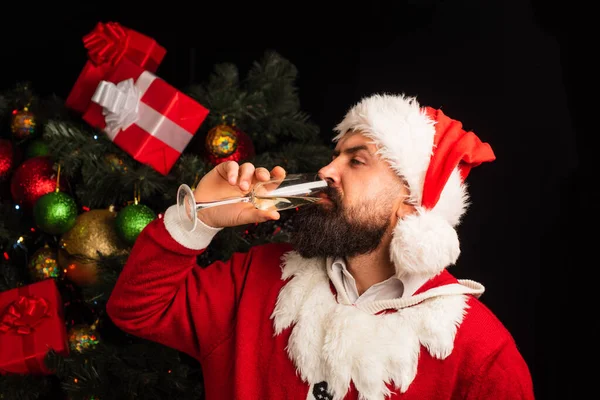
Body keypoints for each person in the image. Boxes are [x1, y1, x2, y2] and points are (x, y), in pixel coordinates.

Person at [106, 93, 535, 399]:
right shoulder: (257, 276)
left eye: (356, 160)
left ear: (412, 204)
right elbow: (136, 309)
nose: (327, 169)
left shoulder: (480, 353)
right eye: (336, 154)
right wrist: (196, 216)